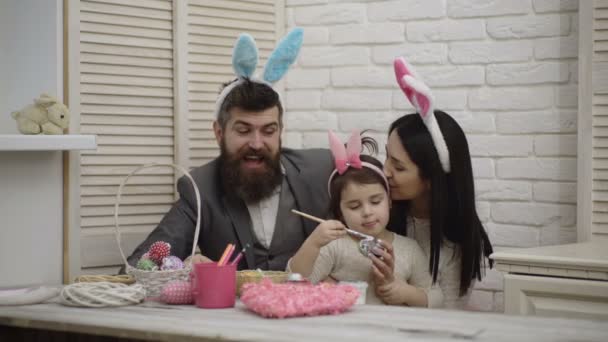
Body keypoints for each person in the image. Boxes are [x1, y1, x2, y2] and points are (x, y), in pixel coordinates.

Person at [126, 28, 334, 271]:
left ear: (281, 130)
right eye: (244, 131)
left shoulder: (322, 169)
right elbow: (140, 266)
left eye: (268, 131)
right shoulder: (198, 190)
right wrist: (183, 268)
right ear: (219, 132)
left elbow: (378, 191)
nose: (257, 143)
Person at [378, 57, 494, 309]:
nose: (384, 170)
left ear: (432, 179)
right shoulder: (379, 214)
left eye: (398, 166)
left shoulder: (456, 242)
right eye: (386, 156)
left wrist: (406, 294)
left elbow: (450, 310)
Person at [288, 130, 441, 307]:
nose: (367, 212)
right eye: (354, 206)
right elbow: (294, 283)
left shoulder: (409, 249)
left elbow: (437, 298)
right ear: (340, 212)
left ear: (389, 201)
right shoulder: (334, 245)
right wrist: (313, 243)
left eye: (376, 201)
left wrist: (403, 292)